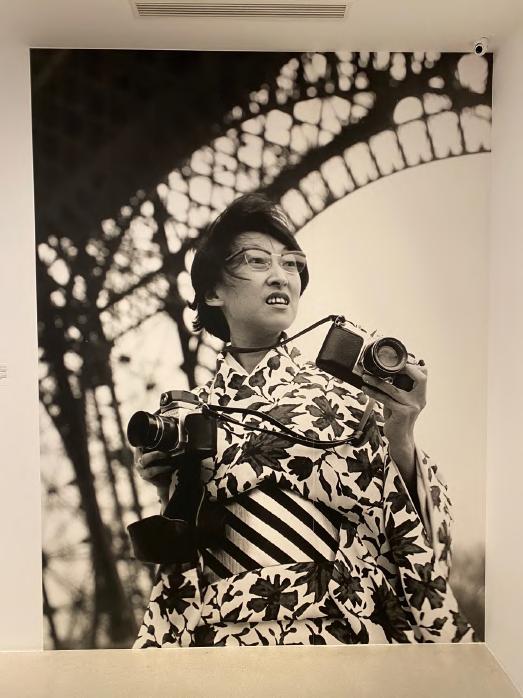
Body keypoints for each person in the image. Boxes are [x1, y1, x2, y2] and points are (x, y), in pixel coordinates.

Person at [132, 193, 474, 647]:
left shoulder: (349, 401)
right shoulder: (189, 415)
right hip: (222, 644)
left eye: (291, 264)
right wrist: (171, 489)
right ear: (213, 292)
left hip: (334, 637)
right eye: (257, 260)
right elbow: (183, 553)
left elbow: (419, 541)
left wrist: (401, 439)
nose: (281, 275)